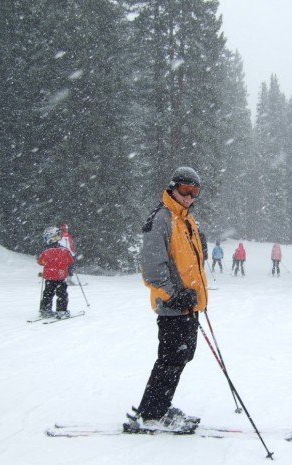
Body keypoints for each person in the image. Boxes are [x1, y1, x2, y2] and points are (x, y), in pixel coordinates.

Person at [125, 167, 208, 434]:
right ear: (173, 188)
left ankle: (157, 406)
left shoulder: (186, 220)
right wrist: (174, 295)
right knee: (171, 359)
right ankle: (152, 413)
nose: (189, 197)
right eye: (185, 191)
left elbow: (193, 261)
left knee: (180, 357)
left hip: (189, 305)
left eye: (195, 193)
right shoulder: (162, 219)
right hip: (174, 306)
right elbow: (152, 269)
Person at [37, 227, 75, 319]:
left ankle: (45, 310)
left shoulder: (45, 252)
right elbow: (70, 261)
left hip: (49, 278)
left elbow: (40, 262)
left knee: (47, 293)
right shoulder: (64, 250)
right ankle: (61, 311)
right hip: (60, 277)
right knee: (62, 294)